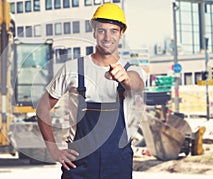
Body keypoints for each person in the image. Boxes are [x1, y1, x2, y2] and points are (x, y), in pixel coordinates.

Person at [36, 3, 146, 179]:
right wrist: (54, 150)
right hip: (79, 164)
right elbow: (42, 108)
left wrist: (125, 79)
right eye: (102, 30)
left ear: (121, 34)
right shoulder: (73, 68)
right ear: (94, 32)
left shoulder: (132, 70)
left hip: (118, 163)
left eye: (113, 31)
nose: (107, 37)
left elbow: (137, 84)